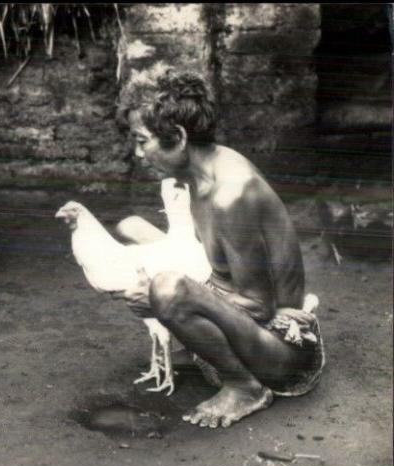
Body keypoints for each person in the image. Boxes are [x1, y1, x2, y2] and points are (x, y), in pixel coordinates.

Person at [112, 70, 324, 428]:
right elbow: (222, 272)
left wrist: (162, 299)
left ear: (177, 137)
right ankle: (210, 350)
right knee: (135, 236)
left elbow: (259, 305)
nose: (137, 153)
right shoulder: (203, 171)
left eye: (141, 140)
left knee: (166, 290)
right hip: (253, 323)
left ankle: (245, 387)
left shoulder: (229, 195)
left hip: (286, 349)